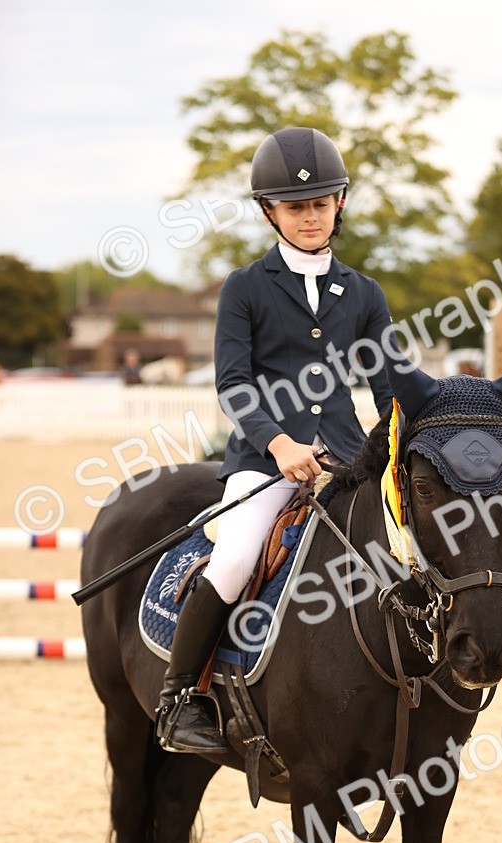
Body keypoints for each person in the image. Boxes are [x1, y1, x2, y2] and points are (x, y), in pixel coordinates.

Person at [156, 127, 395, 753]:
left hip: (346, 460)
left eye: (320, 203)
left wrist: (404, 438)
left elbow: (391, 386)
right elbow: (233, 385)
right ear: (270, 212)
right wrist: (280, 444)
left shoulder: (364, 293)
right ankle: (179, 699)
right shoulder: (246, 287)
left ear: (339, 203)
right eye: (295, 207)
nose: (309, 216)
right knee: (235, 557)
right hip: (264, 461)